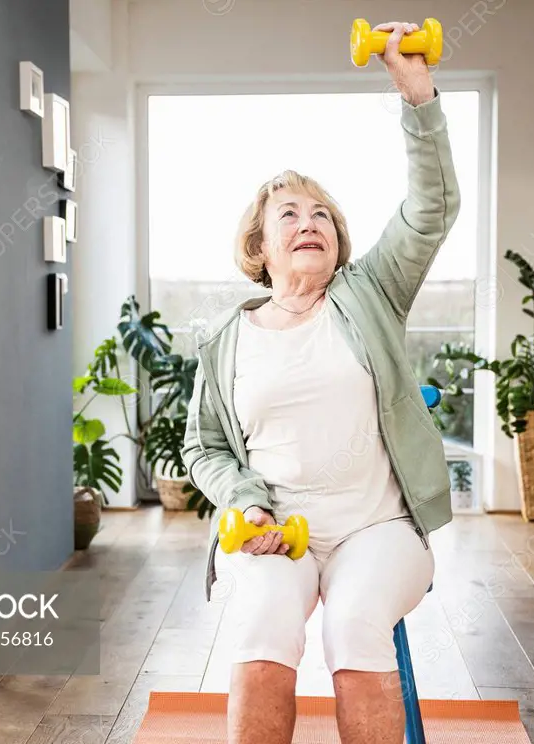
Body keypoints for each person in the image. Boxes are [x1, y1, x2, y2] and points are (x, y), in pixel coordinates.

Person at [180, 21, 460, 744]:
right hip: (275, 531)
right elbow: (203, 448)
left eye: (323, 217)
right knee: (264, 625)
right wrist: (249, 505)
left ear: (338, 242)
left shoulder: (370, 292)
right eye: (290, 215)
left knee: (355, 623)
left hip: (380, 527)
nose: (311, 223)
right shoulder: (224, 338)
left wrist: (415, 91)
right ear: (260, 245)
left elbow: (432, 209)